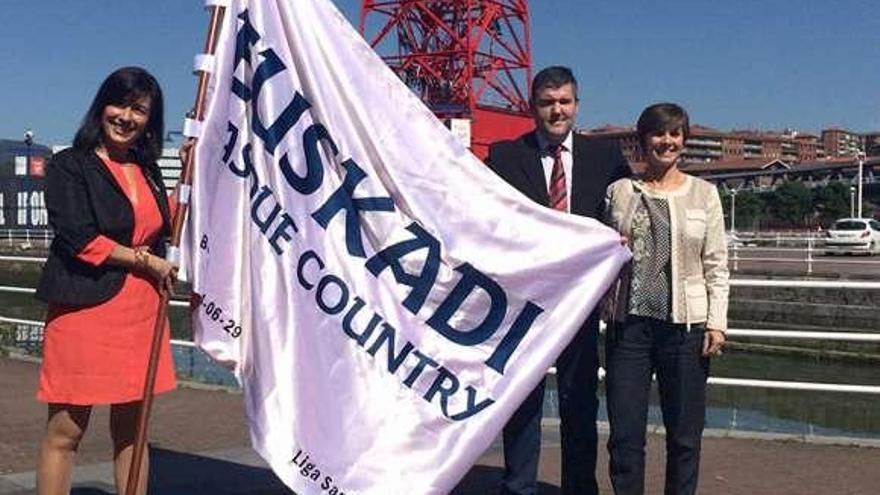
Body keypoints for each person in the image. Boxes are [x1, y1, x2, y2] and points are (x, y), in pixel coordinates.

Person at [486, 66, 632, 495]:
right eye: (548, 103)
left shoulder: (606, 159)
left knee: (580, 402)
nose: (557, 110)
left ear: (577, 106)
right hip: (525, 303)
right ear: (533, 108)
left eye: (564, 102)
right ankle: (519, 487)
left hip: (580, 304)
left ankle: (579, 488)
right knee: (522, 403)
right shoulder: (504, 157)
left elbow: (626, 213)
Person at [34, 66, 178, 495]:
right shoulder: (69, 165)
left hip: (141, 313)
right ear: (101, 106)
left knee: (133, 434)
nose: (126, 117)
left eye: (139, 110)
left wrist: (193, 176)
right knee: (66, 431)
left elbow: (164, 225)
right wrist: (144, 262)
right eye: (119, 104)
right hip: (84, 310)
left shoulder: (149, 170)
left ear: (150, 121)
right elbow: (78, 236)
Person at [603, 102, 729, 495]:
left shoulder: (705, 195)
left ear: (684, 141)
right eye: (658, 133)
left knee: (685, 436)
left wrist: (717, 323)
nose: (667, 141)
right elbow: (599, 253)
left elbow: (716, 265)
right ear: (643, 141)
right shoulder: (619, 193)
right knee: (625, 438)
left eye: (675, 134)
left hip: (686, 332)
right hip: (630, 329)